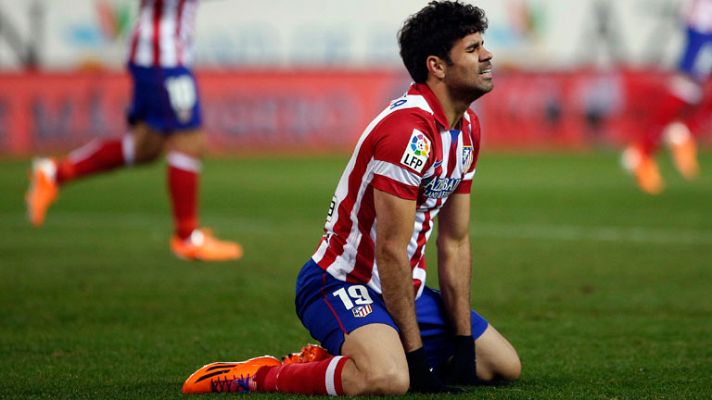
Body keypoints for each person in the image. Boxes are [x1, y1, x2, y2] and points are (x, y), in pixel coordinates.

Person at [181, 1, 520, 395]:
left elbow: (455, 242)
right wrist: (416, 361)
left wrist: (462, 344)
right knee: (389, 378)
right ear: (437, 66)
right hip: (340, 282)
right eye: (473, 48)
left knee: (501, 365)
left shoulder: (468, 130)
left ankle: (340, 358)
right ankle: (260, 375)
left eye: (484, 45)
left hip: (399, 287)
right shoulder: (406, 133)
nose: (488, 55)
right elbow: (390, 250)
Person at [25, 0, 242, 261]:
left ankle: (53, 174)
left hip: (163, 55)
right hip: (162, 58)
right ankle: (187, 237)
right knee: (189, 139)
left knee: (144, 148)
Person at [622, 0, 712, 194]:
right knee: (684, 90)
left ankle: (681, 134)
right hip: (703, 27)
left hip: (703, 27)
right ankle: (643, 152)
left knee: (687, 90)